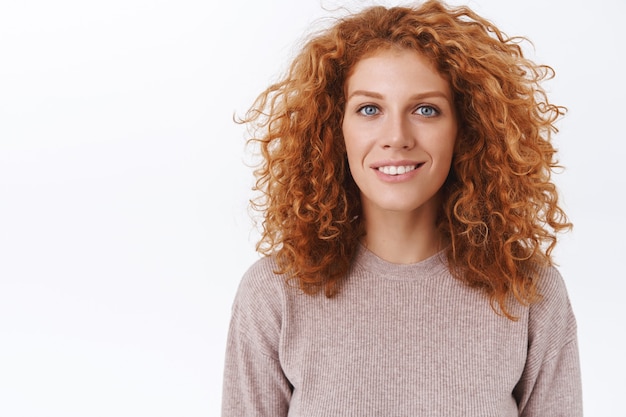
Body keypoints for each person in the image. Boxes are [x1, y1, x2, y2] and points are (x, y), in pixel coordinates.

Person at [221, 0, 583, 415]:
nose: (396, 136)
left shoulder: (529, 292)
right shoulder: (274, 293)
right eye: (369, 109)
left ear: (466, 129)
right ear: (334, 129)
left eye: (425, 110)